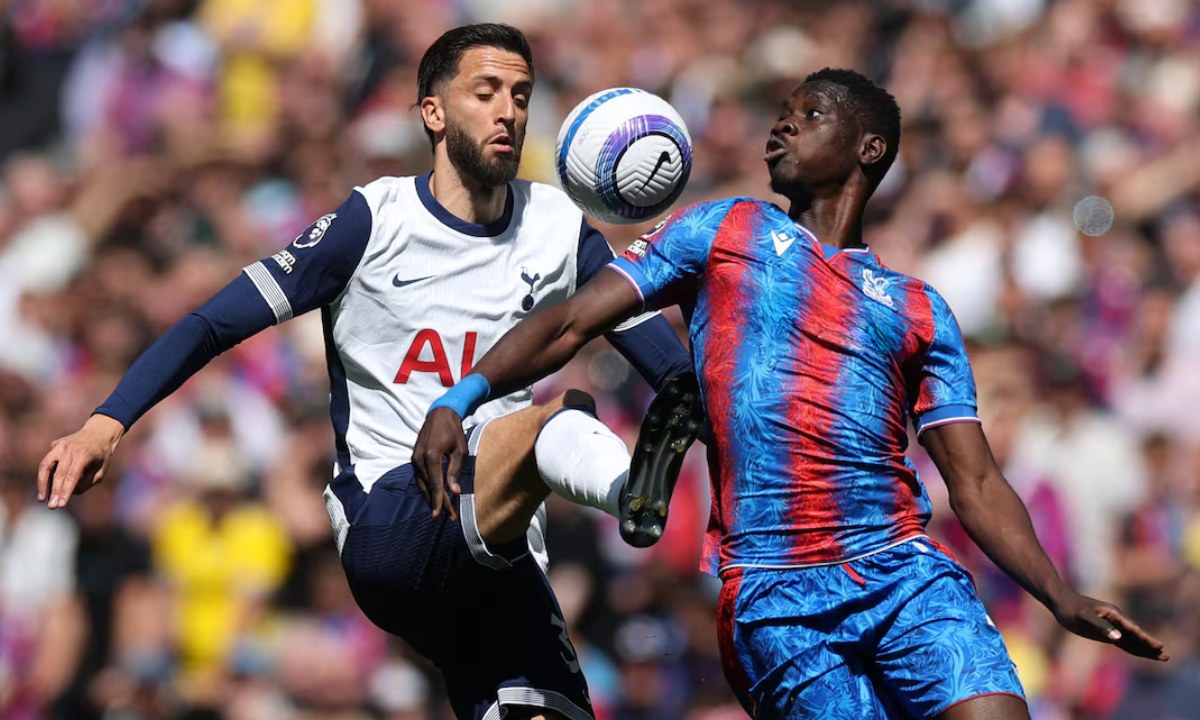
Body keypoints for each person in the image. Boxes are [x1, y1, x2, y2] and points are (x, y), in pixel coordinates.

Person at [413, 68, 1169, 719]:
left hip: (904, 569)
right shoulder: (722, 231)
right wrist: (461, 397)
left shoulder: (917, 306)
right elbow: (572, 322)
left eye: (809, 115)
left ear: (869, 149)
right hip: (775, 597)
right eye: (782, 113)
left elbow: (973, 480)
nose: (782, 125)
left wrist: (1057, 593)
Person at [36, 23, 693, 720]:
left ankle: (626, 493)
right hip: (391, 517)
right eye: (486, 91)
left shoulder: (559, 226)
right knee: (558, 421)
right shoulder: (373, 222)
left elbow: (672, 375)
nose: (508, 111)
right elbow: (213, 322)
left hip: (502, 556)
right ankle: (630, 496)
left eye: (522, 95)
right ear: (433, 112)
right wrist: (108, 422)